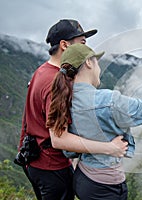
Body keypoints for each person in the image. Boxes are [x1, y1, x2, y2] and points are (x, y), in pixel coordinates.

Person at [46, 43, 142, 200]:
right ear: (89, 62)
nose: (99, 68)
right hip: (106, 186)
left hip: (83, 177)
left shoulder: (63, 99)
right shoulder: (109, 101)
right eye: (97, 62)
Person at [17, 19, 128, 200]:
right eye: (82, 42)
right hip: (52, 167)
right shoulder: (55, 82)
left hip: (36, 161)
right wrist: (109, 148)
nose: (86, 47)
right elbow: (59, 139)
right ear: (64, 45)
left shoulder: (42, 71)